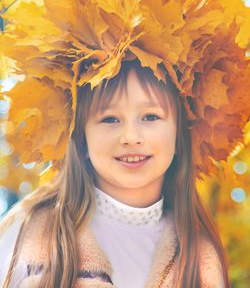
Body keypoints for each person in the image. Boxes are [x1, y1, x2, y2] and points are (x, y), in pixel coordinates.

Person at [0, 58, 230, 287]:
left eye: (150, 117)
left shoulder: (202, 259)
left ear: (179, 135)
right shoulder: (30, 234)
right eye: (110, 119)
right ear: (81, 139)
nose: (130, 137)